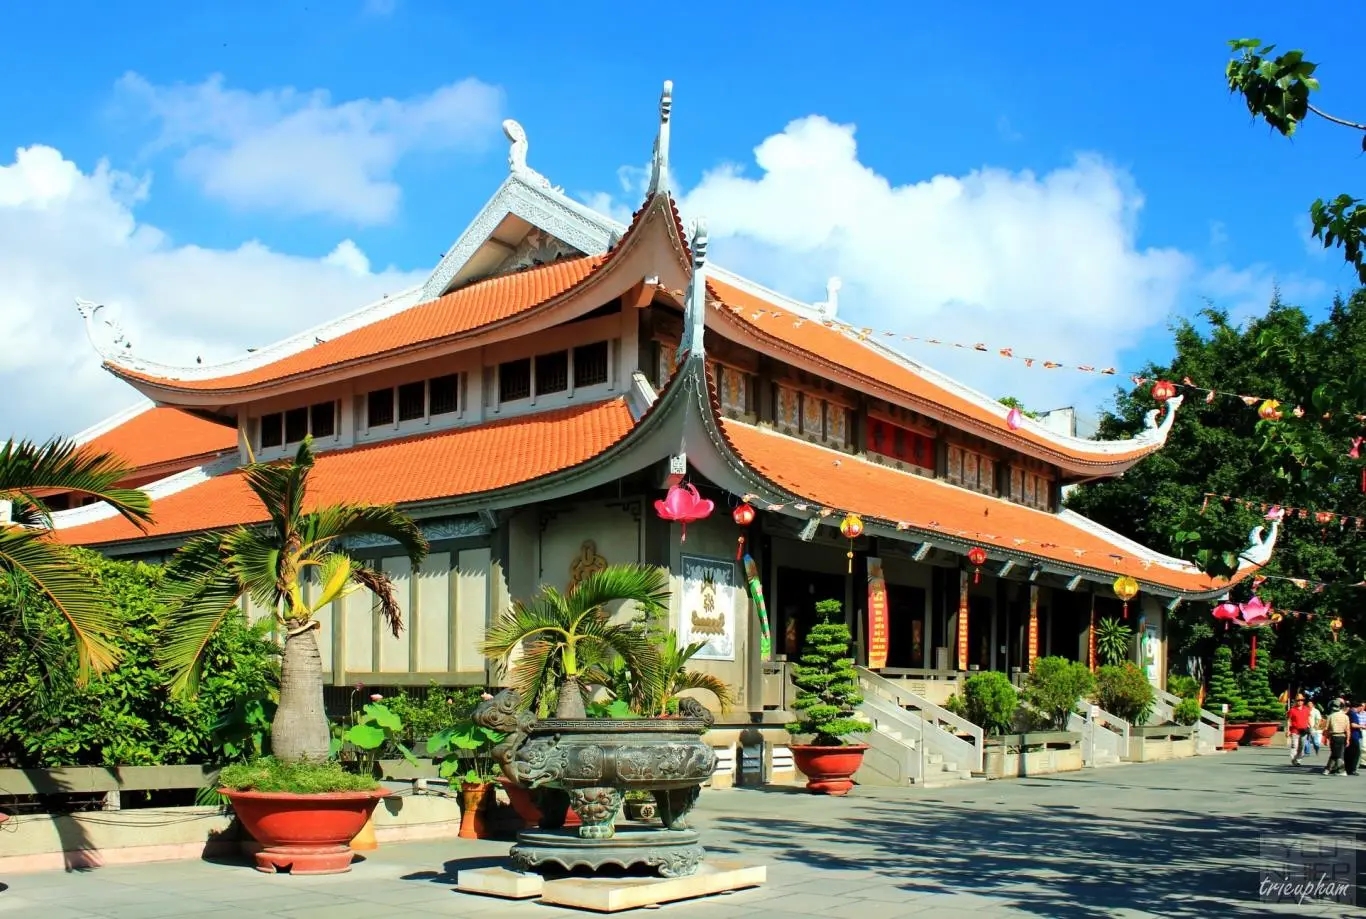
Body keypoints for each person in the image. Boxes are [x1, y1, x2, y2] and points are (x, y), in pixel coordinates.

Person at [1324, 701, 1352, 776]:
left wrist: (1326, 738)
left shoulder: (1330, 716)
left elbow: (1326, 729)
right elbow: (1348, 729)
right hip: (1342, 736)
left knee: (1336, 753)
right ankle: (1335, 769)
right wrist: (1348, 739)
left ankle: (1333, 769)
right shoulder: (1345, 716)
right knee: (1338, 753)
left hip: (1333, 736)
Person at [1287, 696, 1311, 765]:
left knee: (1302, 746)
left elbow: (1308, 719)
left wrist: (1311, 727)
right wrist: (1288, 730)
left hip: (1304, 730)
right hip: (1295, 730)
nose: (1300, 702)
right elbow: (1289, 720)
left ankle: (1298, 760)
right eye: (1298, 700)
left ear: (1303, 701)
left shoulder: (1306, 709)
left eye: (1301, 700)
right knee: (1294, 745)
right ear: (1296, 701)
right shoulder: (1292, 710)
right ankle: (1294, 760)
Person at [1347, 701, 1366, 777]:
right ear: (1359, 707)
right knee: (1356, 753)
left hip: (1352, 735)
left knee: (1350, 753)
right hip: (1354, 735)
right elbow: (1353, 725)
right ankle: (1352, 769)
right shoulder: (1353, 714)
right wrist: (1362, 726)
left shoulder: (1349, 713)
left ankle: (1349, 768)